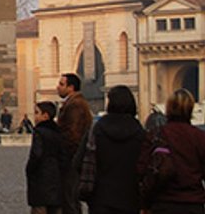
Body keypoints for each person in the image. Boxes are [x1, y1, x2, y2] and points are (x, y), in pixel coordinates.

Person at [138, 87, 205, 214]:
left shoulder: (157, 135)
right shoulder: (200, 137)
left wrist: (144, 203)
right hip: (193, 204)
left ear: (168, 108)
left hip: (163, 203)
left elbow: (142, 169)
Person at [80, 85, 143, 214]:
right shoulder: (139, 131)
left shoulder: (97, 129)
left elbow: (82, 161)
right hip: (130, 198)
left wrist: (86, 190)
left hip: (101, 198)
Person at [56, 72, 93, 214]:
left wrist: (64, 154)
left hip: (71, 158)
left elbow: (73, 133)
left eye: (61, 84)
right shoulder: (73, 103)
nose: (58, 87)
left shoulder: (75, 105)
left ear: (71, 87)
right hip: (72, 157)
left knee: (70, 198)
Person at [27, 101, 65, 214]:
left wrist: (29, 169)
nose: (35, 116)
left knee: (39, 208)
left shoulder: (39, 132)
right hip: (56, 177)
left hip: (41, 177)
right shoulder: (58, 132)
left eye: (37, 113)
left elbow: (36, 154)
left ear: (45, 115)